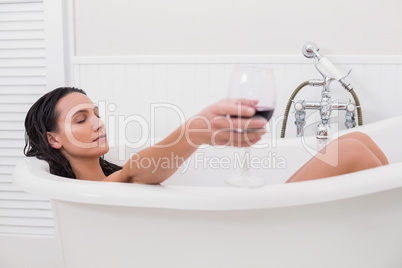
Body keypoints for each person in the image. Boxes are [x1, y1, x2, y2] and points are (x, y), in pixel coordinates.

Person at [24, 87, 388, 184]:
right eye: (81, 119)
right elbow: (136, 171)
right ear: (53, 139)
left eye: (97, 114)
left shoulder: (110, 177)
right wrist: (196, 130)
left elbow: (132, 171)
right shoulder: (90, 191)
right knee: (350, 151)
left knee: (358, 143)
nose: (98, 123)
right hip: (244, 241)